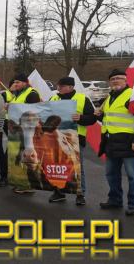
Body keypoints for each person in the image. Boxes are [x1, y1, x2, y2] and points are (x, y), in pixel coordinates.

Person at [96, 69, 134, 215]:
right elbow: (109, 119)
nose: (115, 81)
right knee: (111, 174)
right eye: (112, 79)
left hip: (129, 143)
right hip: (111, 143)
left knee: (132, 176)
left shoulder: (132, 95)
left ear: (125, 80)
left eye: (119, 78)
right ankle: (115, 200)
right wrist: (100, 115)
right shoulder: (109, 97)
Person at [49, 77, 96, 205]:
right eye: (58, 85)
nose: (58, 88)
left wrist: (80, 118)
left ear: (70, 87)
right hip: (57, 138)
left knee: (77, 168)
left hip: (76, 138)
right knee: (58, 167)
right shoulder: (53, 98)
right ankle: (59, 192)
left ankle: (80, 195)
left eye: (61, 86)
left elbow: (92, 119)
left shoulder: (82, 98)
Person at [8, 73, 41, 194]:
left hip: (28, 131)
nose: (15, 84)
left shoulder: (32, 94)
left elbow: (33, 111)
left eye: (18, 82)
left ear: (25, 83)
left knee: (26, 157)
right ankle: (21, 182)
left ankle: (29, 185)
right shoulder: (18, 94)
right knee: (16, 156)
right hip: (18, 130)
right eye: (15, 82)